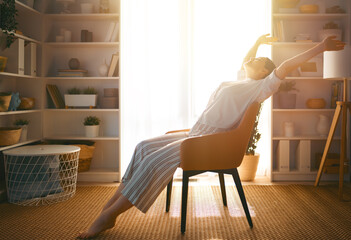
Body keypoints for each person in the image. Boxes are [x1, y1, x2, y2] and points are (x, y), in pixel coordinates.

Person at [77, 34, 345, 239]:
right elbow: (246, 60)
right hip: (196, 133)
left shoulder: (261, 88)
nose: (249, 61)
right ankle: (113, 203)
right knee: (143, 147)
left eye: (258, 61)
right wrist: (258, 44)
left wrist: (320, 47)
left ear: (265, 73)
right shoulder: (242, 81)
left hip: (209, 142)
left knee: (153, 162)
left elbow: (285, 66)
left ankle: (109, 216)